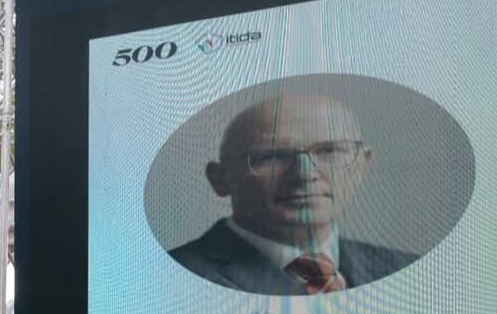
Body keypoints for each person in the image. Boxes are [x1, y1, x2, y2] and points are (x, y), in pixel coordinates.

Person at [168, 94, 417, 295]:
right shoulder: (171, 280)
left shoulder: (409, 271)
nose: (305, 174)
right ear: (220, 178)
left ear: (361, 166)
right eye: (272, 156)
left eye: (329, 151)